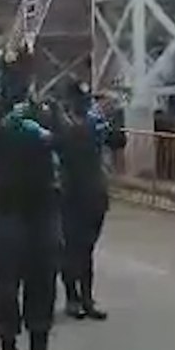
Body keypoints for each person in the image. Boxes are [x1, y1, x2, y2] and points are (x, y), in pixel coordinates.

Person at [0, 45, 74, 350]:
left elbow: (70, 142)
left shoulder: (46, 108)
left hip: (43, 203)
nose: (21, 79)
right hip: (7, 204)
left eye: (25, 72)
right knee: (7, 283)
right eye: (14, 73)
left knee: (44, 280)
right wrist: (4, 125)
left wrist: (49, 132)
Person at [56, 79, 126, 320]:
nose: (82, 105)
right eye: (79, 100)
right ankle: (73, 297)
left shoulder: (95, 123)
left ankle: (86, 298)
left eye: (86, 100)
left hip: (93, 194)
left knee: (85, 249)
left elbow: (118, 141)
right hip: (68, 194)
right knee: (70, 249)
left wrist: (114, 119)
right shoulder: (59, 125)